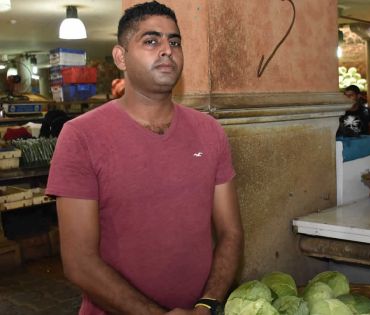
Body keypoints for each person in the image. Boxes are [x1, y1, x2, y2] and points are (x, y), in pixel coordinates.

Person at [46, 2, 244, 315]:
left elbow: (231, 232)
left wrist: (206, 304)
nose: (167, 50)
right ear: (120, 57)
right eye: (151, 41)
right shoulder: (80, 136)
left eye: (174, 41)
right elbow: (79, 263)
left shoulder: (210, 132)